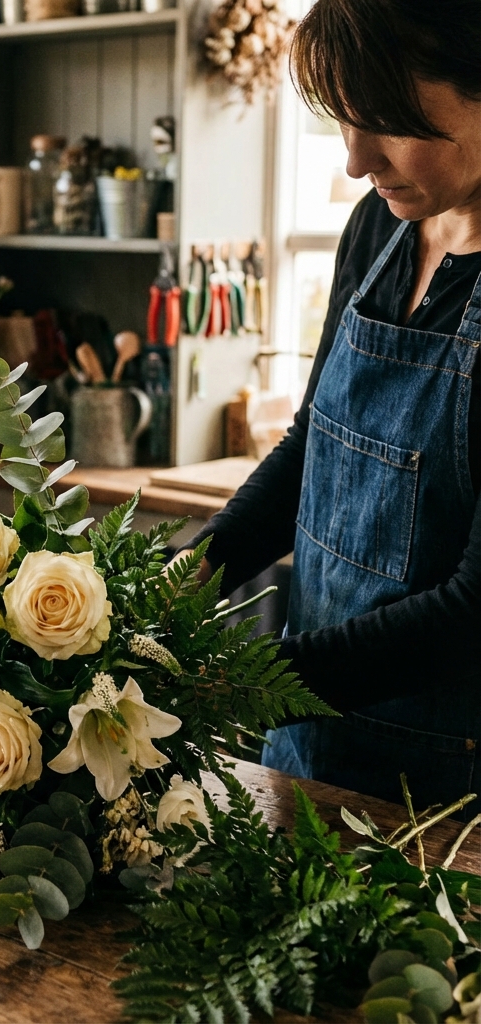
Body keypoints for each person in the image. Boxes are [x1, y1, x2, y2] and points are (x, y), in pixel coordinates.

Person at [179, 0, 481, 812]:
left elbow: (470, 616)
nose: (356, 161)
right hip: (306, 740)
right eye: (345, 121)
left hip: (440, 794)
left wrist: (246, 680)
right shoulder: (376, 229)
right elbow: (318, 441)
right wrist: (195, 572)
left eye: (386, 121)